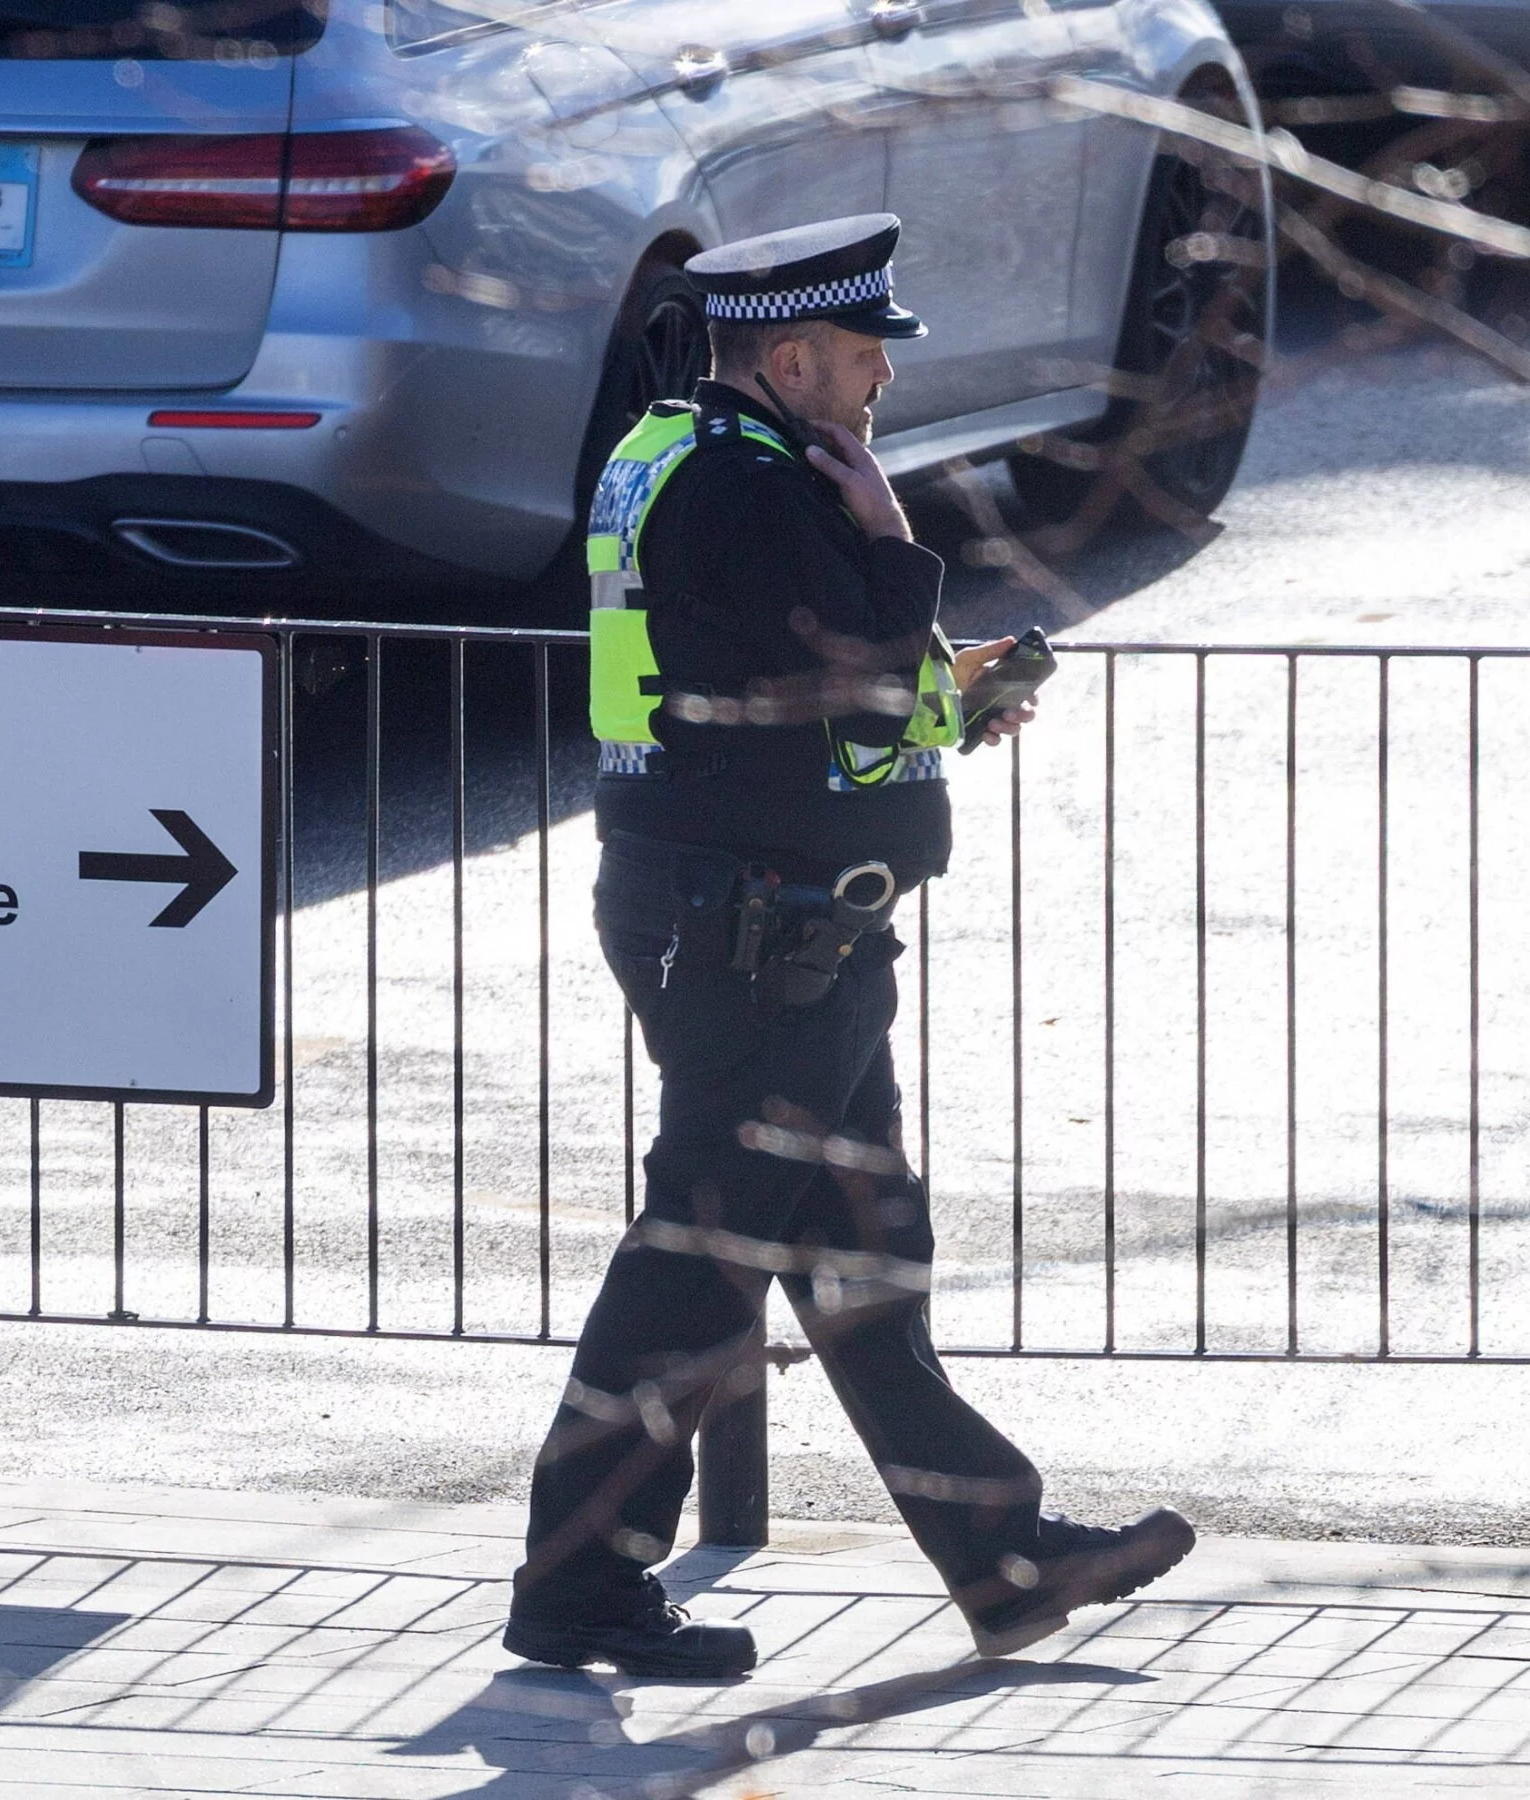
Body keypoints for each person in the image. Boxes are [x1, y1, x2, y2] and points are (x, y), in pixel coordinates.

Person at [503, 215, 1194, 1680]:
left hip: (770, 917)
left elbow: (786, 687)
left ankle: (1003, 1559)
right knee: (700, 1255)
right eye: (867, 352)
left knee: (862, 1259)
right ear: (796, 357)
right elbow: (849, 668)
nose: (883, 377)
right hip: (754, 931)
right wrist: (891, 539)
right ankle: (576, 1584)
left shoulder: (689, 454)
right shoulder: (749, 487)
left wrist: (946, 696)